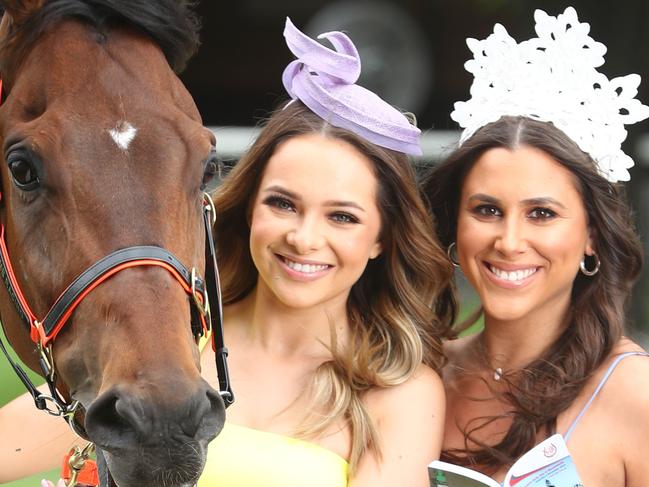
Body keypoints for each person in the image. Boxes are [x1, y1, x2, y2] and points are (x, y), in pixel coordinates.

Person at [2, 18, 453, 486]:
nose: (303, 237)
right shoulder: (164, 353)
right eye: (283, 204)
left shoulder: (400, 394)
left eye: (342, 216)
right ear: (246, 208)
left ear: (382, 236)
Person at [423, 7, 649, 485]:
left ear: (592, 235)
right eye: (486, 210)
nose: (508, 241)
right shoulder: (423, 374)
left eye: (541, 214)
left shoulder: (635, 393)